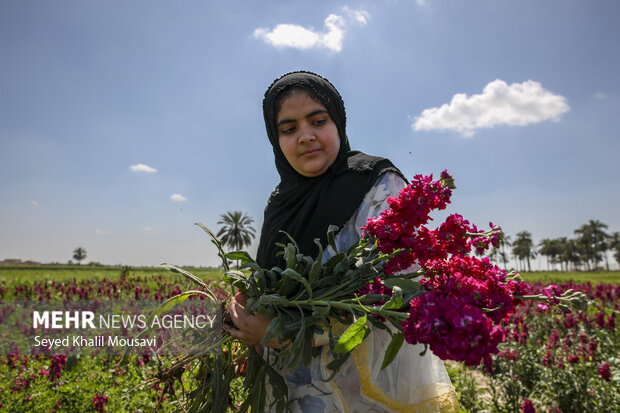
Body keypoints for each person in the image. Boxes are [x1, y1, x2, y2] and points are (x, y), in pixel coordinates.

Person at [224, 71, 458, 412]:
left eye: (318, 121)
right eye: (288, 129)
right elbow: (269, 290)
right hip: (284, 391)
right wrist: (252, 333)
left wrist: (288, 335)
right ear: (276, 140)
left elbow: (400, 301)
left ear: (338, 124)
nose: (305, 136)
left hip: (355, 398)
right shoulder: (280, 203)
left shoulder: (376, 187)